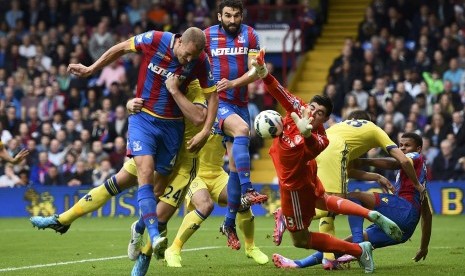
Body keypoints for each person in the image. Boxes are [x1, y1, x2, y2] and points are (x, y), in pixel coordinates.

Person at [67, 26, 218, 256]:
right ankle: (149, 237)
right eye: (186, 54)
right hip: (147, 127)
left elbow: (206, 105)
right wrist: (91, 69)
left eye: (192, 58)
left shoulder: (199, 65)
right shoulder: (155, 39)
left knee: (159, 200)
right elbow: (121, 48)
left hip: (178, 145)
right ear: (179, 42)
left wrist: (205, 130)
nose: (187, 61)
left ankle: (140, 230)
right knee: (139, 179)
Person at [250, 49, 402, 273]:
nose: (313, 113)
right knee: (325, 201)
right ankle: (369, 214)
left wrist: (308, 134)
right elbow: (281, 92)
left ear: (325, 119)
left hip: (295, 188)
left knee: (300, 240)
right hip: (309, 179)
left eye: (319, 113)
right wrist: (264, 73)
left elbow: (311, 149)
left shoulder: (322, 138)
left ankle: (358, 250)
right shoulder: (300, 108)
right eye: (312, 107)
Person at [30, 80, 209, 252]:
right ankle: (62, 220)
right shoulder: (164, 76)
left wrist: (175, 91)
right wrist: (130, 103)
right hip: (156, 146)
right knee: (115, 183)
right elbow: (142, 102)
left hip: (184, 158)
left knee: (161, 217)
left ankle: (140, 237)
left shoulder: (197, 86)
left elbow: (198, 117)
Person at [272, 132, 432, 269]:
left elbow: (399, 161)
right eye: (401, 145)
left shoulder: (415, 157)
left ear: (418, 149)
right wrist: (424, 247)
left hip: (403, 210)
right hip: (405, 229)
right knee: (343, 245)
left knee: (355, 198)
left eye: (407, 146)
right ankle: (298, 264)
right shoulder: (418, 181)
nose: (402, 149)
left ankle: (358, 244)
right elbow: (427, 215)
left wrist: (364, 161)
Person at [204, 0, 268, 250]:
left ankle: (228, 222)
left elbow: (255, 71)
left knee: (233, 165)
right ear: (219, 15)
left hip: (240, 102)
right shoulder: (207, 35)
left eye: (236, 15)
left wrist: (233, 83)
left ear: (242, 16)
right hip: (216, 101)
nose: (232, 20)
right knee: (243, 131)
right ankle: (249, 189)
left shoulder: (250, 34)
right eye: (227, 16)